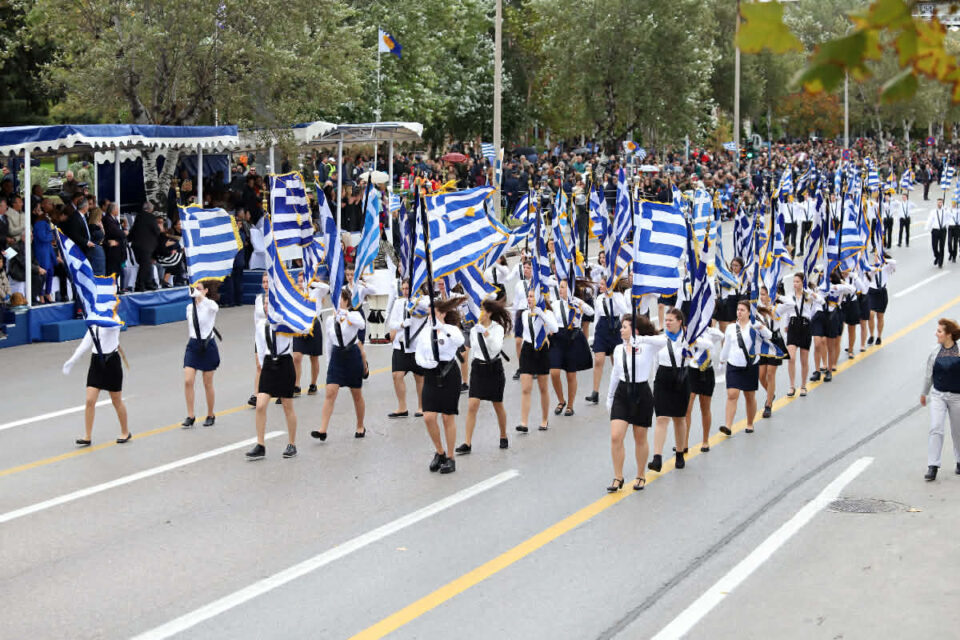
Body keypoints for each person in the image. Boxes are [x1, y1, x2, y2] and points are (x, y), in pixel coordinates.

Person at [605, 315, 660, 492]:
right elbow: (615, 373)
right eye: (621, 327)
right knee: (616, 436)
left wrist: (642, 339)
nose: (621, 330)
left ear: (635, 330)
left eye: (625, 327)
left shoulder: (647, 347)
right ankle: (618, 476)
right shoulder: (618, 349)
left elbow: (664, 341)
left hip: (641, 392)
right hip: (622, 392)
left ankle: (640, 474)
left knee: (640, 438)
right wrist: (610, 397)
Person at [416, 296, 467, 473]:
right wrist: (425, 363)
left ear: (443, 314)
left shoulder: (451, 329)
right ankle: (440, 452)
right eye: (429, 313)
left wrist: (442, 327)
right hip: (431, 373)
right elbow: (418, 353)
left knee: (447, 417)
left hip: (449, 373)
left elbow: (460, 341)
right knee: (428, 416)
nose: (430, 316)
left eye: (434, 313)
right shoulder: (425, 332)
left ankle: (451, 458)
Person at [457, 298, 512, 453]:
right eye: (479, 309)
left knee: (497, 404)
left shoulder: (497, 328)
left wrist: (486, 333)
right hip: (478, 368)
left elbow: (496, 347)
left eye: (483, 310)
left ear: (489, 313)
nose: (480, 313)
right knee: (472, 405)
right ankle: (467, 443)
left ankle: (503, 435)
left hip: (494, 368)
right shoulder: (474, 330)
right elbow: (474, 350)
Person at [62, 324, 131, 446]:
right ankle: (87, 436)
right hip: (96, 362)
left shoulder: (114, 319)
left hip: (112, 362)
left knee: (116, 400)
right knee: (90, 400)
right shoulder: (94, 324)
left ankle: (125, 432)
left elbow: (111, 326)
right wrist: (72, 360)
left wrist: (94, 319)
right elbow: (85, 344)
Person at [247, 297, 299, 460]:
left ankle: (292, 443)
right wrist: (264, 367)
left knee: (287, 406)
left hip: (284, 362)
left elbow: (297, 331)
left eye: (268, 304)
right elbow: (261, 348)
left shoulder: (285, 322)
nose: (265, 306)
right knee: (260, 405)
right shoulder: (261, 325)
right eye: (264, 304)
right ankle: (260, 444)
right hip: (269, 364)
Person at [312, 289, 366, 441]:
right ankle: (323, 430)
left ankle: (360, 425)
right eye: (335, 299)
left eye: (340, 298)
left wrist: (345, 314)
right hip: (337, 356)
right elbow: (329, 343)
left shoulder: (353, 315)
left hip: (352, 355)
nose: (337, 301)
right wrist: (329, 362)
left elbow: (362, 325)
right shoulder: (331, 320)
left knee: (356, 394)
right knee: (330, 392)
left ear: (347, 301)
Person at [718, 301, 772, 435]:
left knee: (749, 395)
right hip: (734, 365)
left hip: (750, 365)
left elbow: (769, 336)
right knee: (732, 394)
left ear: (749, 313)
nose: (739, 312)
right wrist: (722, 361)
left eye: (742, 310)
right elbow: (726, 346)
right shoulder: (731, 328)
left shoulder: (754, 326)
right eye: (738, 310)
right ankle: (728, 426)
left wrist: (761, 327)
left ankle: (750, 423)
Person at [646, 308, 688, 472]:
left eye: (671, 320)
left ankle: (679, 453)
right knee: (661, 418)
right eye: (666, 320)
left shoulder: (687, 339)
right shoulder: (661, 339)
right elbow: (655, 362)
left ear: (679, 322)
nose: (668, 323)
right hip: (663, 378)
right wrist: (654, 381)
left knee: (679, 418)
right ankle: (657, 458)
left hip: (682, 378)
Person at [920, 318, 960, 481]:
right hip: (938, 395)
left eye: (939, 331)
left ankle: (959, 460)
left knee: (958, 430)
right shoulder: (935, 352)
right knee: (936, 428)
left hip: (957, 397)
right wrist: (924, 393)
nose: (936, 334)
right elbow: (928, 374)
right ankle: (933, 465)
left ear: (949, 334)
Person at [548, 279, 594, 417]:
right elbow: (548, 319)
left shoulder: (576, 303)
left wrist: (578, 301)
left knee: (571, 374)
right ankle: (561, 400)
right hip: (557, 338)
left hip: (573, 338)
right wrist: (548, 329)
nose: (560, 289)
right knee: (554, 372)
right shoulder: (555, 304)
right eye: (560, 287)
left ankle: (570, 405)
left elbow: (590, 312)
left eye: (563, 287)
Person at [516, 288, 559, 433]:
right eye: (528, 296)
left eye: (532, 296)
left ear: (539, 299)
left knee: (543, 388)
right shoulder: (524, 314)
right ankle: (524, 423)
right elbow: (525, 333)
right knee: (526, 388)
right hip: (528, 350)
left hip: (542, 350)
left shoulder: (547, 313)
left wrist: (541, 313)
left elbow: (554, 329)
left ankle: (544, 420)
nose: (529, 299)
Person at [386, 280, 429, 418]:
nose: (405, 291)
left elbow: (429, 308)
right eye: (403, 288)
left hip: (417, 346)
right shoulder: (399, 303)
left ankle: (422, 406)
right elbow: (392, 323)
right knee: (396, 375)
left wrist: (414, 301)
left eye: (408, 288)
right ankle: (402, 407)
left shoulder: (423, 301)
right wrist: (401, 324)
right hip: (401, 345)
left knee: (419, 377)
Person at [182, 280, 220, 428]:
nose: (195, 291)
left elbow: (215, 308)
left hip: (207, 344)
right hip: (193, 344)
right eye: (194, 288)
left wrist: (201, 297)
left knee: (207, 382)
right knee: (188, 380)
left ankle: (210, 414)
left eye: (198, 288)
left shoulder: (210, 305)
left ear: (205, 291)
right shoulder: (189, 307)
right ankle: (190, 415)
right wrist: (196, 298)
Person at [585, 279, 629, 404]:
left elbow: (624, 311)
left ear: (609, 285)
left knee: (616, 361)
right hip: (602, 328)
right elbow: (597, 316)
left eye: (603, 284)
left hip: (615, 328)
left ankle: (619, 390)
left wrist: (612, 296)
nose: (600, 286)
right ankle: (595, 392)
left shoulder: (618, 296)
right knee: (598, 360)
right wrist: (595, 333)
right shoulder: (599, 298)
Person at [685, 323, 724, 454]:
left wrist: (707, 330)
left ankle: (705, 440)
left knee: (705, 407)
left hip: (706, 371)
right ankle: (684, 443)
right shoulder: (689, 333)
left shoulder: (710, 333)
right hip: (692, 371)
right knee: (687, 408)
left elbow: (720, 337)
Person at [292, 274, 328, 396]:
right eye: (299, 281)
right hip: (300, 326)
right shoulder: (296, 294)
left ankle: (313, 384)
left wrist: (311, 283)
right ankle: (296, 385)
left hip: (313, 325)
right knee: (296, 356)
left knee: (314, 357)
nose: (300, 283)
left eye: (302, 281)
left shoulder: (316, 292)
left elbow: (326, 288)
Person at [781, 273, 815, 397]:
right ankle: (791, 386)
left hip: (805, 326)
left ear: (802, 283)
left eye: (797, 282)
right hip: (793, 325)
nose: (795, 284)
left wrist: (810, 291)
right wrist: (786, 324)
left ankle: (803, 386)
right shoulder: (790, 296)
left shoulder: (808, 296)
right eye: (794, 282)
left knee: (804, 360)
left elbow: (818, 303)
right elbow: (787, 311)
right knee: (791, 357)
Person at [757, 286, 788, 418]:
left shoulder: (777, 308)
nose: (762, 297)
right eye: (761, 294)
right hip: (763, 343)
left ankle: (768, 405)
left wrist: (778, 297)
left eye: (764, 294)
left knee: (770, 373)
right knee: (761, 376)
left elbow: (791, 303)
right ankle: (771, 393)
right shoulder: (758, 309)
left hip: (775, 341)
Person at [248, 272, 269, 407]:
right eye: (264, 282)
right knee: (259, 365)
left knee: (275, 364)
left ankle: (280, 391)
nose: (265, 285)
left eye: (268, 282)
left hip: (273, 335)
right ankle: (256, 394)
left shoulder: (278, 297)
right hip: (260, 335)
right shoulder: (258, 299)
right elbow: (256, 318)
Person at [129, 203, 160, 290]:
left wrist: (127, 239)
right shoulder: (151, 217)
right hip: (146, 246)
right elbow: (156, 231)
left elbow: (133, 230)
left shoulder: (138, 217)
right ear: (151, 209)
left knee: (147, 265)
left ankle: (148, 283)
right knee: (145, 266)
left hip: (136, 246)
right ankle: (139, 285)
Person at [867, 256, 896, 345]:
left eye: (878, 257)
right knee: (871, 314)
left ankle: (879, 336)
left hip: (882, 292)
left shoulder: (886, 268)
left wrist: (884, 260)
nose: (876, 258)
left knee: (880, 316)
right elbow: (867, 277)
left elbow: (894, 262)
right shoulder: (871, 267)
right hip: (872, 292)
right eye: (875, 257)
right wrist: (873, 270)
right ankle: (871, 335)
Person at [926, 198, 948, 269]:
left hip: (943, 230)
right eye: (938, 202)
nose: (939, 204)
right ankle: (937, 256)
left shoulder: (945, 211)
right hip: (935, 230)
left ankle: (940, 262)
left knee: (942, 246)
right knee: (934, 246)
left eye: (940, 202)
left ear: (942, 203)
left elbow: (951, 216)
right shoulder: (933, 211)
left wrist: (946, 210)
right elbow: (930, 219)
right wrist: (927, 227)